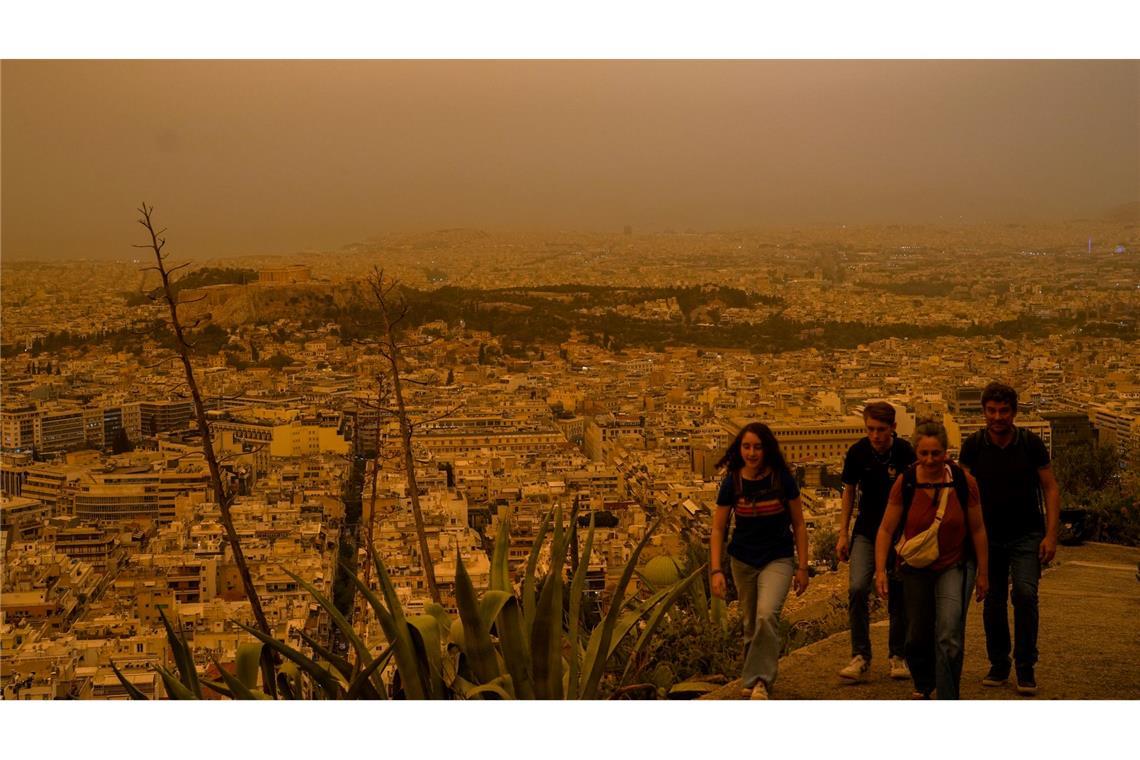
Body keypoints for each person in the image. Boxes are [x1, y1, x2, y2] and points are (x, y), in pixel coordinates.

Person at [959, 381, 1060, 696]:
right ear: (984, 412)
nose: (998, 417)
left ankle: (1026, 665)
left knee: (1026, 595)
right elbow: (961, 494)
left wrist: (1051, 534)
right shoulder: (973, 446)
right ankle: (1000, 663)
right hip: (987, 536)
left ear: (1014, 412)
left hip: (1027, 533)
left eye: (1004, 411)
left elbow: (1050, 487)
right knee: (993, 600)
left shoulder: (1030, 444)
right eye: (992, 410)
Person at [875, 422, 989, 700]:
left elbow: (977, 528)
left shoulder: (963, 482)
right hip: (915, 567)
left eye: (936, 453)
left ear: (947, 452)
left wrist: (983, 572)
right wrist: (880, 570)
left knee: (949, 634)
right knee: (917, 635)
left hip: (953, 563)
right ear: (916, 453)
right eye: (924, 454)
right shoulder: (907, 481)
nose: (930, 460)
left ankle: (948, 695)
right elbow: (886, 529)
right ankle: (925, 683)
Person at [710, 422, 810, 700]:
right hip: (742, 559)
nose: (751, 453)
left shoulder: (782, 479)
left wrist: (803, 566)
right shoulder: (733, 481)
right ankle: (754, 678)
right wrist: (716, 569)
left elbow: (799, 524)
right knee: (750, 622)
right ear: (738, 449)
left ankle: (759, 681)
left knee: (766, 615)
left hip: (777, 556)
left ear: (767, 449)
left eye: (757, 447)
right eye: (746, 447)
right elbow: (718, 528)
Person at [836, 401, 916, 682]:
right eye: (870, 429)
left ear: (893, 428)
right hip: (867, 531)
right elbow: (849, 492)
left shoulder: (905, 451)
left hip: (900, 534)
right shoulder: (858, 452)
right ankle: (860, 655)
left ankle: (898, 655)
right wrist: (843, 532)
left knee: (899, 593)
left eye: (881, 430)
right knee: (858, 587)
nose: (875, 436)